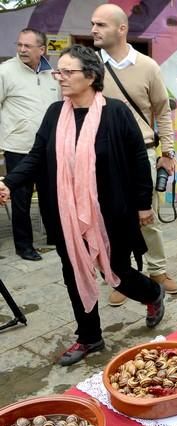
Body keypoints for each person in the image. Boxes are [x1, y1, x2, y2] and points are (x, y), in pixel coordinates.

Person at [0, 45, 165, 366]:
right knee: (74, 272)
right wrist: (9, 182)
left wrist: (143, 205)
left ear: (90, 76)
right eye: (57, 71)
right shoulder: (54, 114)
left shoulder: (116, 113)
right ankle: (89, 336)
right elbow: (35, 157)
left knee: (116, 270)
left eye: (67, 71)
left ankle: (152, 294)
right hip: (65, 214)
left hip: (112, 213)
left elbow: (137, 163)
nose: (59, 77)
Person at [90, 4, 177, 306]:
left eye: (101, 25)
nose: (94, 30)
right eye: (93, 24)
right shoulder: (89, 67)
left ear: (121, 28)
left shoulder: (147, 66)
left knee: (146, 217)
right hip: (101, 158)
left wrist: (167, 152)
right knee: (112, 220)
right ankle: (124, 277)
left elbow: (162, 111)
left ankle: (157, 271)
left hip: (141, 153)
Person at [0, 28, 60, 261]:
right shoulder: (5, 72)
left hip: (47, 149)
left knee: (50, 195)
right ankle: (23, 246)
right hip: (19, 147)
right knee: (21, 199)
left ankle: (54, 237)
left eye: (28, 46)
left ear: (41, 49)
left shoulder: (52, 75)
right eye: (20, 45)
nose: (22, 49)